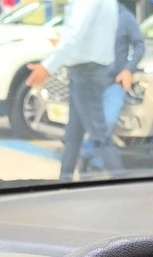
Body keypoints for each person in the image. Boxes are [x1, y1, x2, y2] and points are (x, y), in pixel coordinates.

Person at [25, 0, 123, 181]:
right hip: (91, 70)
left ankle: (124, 183)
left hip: (86, 72)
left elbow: (75, 35)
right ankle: (65, 180)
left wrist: (47, 66)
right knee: (73, 135)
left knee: (98, 134)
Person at [80, 1, 145, 174]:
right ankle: (92, 162)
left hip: (114, 83)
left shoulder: (126, 18)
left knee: (106, 121)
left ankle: (88, 157)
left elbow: (139, 45)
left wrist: (128, 69)